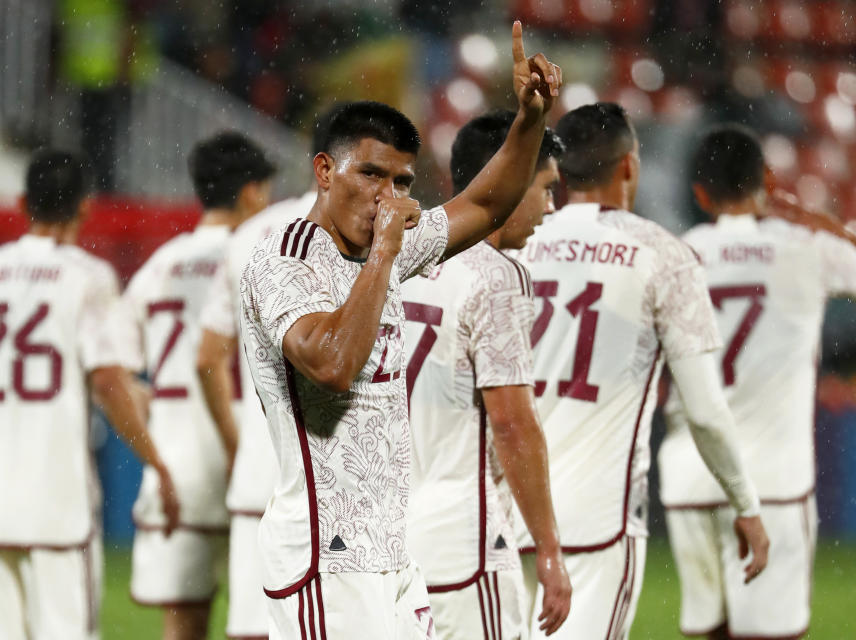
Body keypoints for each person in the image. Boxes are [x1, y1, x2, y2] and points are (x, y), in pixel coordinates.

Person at [238, 22, 560, 639]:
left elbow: (487, 205)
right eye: (372, 175)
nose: (388, 198)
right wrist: (387, 253)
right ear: (325, 171)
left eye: (403, 183)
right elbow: (331, 364)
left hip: (392, 551)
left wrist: (529, 120)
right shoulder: (282, 259)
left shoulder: (383, 247)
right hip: (323, 559)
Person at [512, 103, 769, 640]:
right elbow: (703, 408)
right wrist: (745, 502)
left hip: (498, 518)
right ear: (629, 166)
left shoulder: (518, 244)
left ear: (561, 169)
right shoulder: (663, 255)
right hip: (592, 521)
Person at [0, 149, 179, 640]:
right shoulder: (87, 276)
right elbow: (105, 380)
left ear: (22, 203)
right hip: (57, 498)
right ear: (85, 206)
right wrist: (154, 460)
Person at [658, 124, 856, 640]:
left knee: (711, 631)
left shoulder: (676, 254)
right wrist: (823, 223)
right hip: (774, 482)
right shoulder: (805, 248)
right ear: (766, 179)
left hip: (692, 475)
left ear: (700, 193)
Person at [401, 111, 571, 639]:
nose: (550, 205)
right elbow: (512, 424)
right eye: (542, 186)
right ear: (505, 179)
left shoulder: (396, 256)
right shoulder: (497, 275)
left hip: (391, 537)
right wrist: (547, 549)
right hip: (465, 536)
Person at [121, 132, 275, 640]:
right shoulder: (256, 255)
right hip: (250, 458)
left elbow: (116, 373)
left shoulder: (158, 266)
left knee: (183, 626)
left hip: (178, 466)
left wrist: (160, 416)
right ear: (252, 192)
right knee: (260, 622)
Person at [197, 105, 342, 640]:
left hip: (262, 477)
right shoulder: (377, 243)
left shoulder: (251, 237)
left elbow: (207, 356)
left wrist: (239, 444)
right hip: (341, 487)